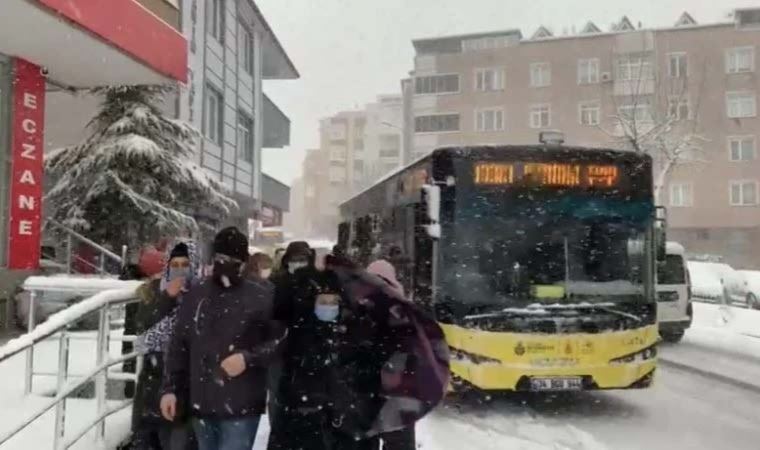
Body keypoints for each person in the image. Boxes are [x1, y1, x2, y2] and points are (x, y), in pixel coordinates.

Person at [160, 227, 283, 450]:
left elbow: (279, 341)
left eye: (233, 259)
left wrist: (248, 358)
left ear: (244, 262)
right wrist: (170, 389)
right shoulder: (196, 294)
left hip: (242, 407)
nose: (225, 263)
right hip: (202, 404)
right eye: (221, 258)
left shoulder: (263, 295)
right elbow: (179, 344)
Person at [131, 241, 198, 450]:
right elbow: (141, 335)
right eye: (174, 264)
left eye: (185, 264)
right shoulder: (153, 291)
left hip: (184, 388)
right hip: (152, 386)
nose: (179, 270)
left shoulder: (202, 295)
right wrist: (167, 298)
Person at [366, 259, 416, 450]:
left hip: (398, 396)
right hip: (366, 395)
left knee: (398, 443)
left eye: (383, 282)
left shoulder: (406, 314)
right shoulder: (357, 310)